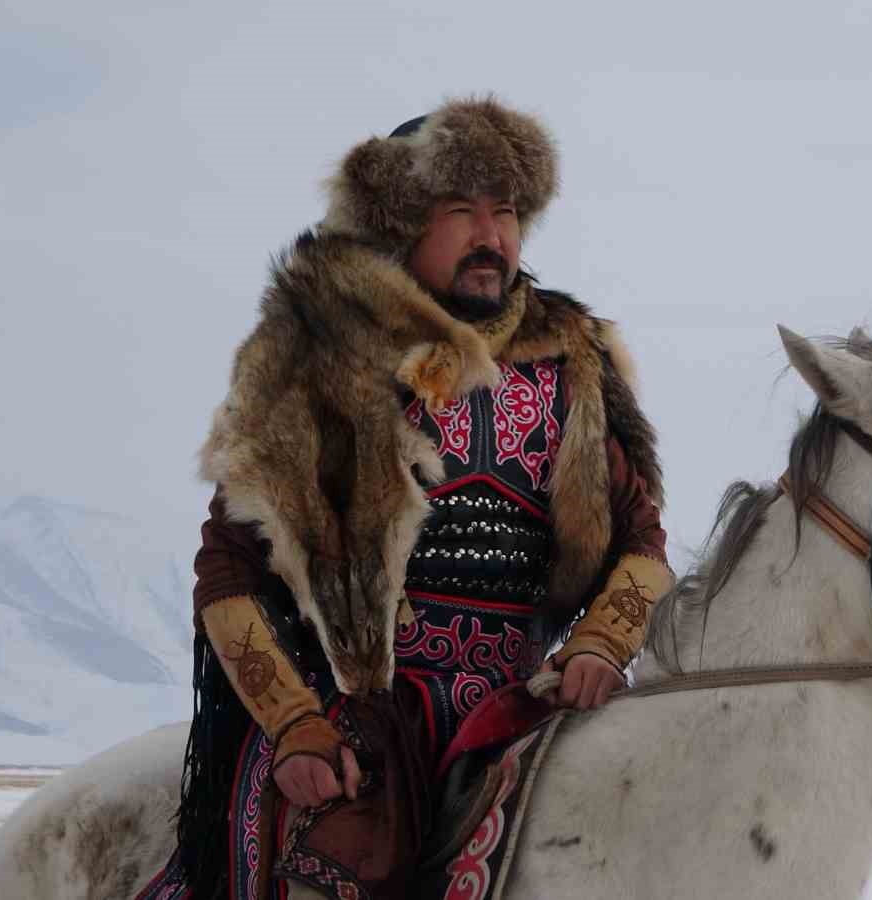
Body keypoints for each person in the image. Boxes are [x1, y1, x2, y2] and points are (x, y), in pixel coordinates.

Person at [140, 97, 671, 900]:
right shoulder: (321, 357)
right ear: (400, 225)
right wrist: (295, 725)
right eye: (461, 211)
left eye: (506, 211)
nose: (491, 235)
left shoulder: (573, 363)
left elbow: (641, 538)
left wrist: (601, 642)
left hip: (525, 711)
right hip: (357, 723)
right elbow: (230, 570)